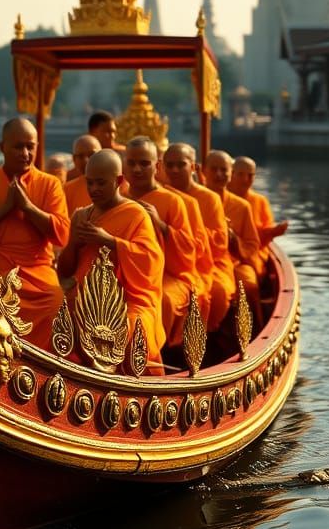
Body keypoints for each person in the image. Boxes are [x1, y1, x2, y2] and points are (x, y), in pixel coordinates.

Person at [0, 117, 70, 347]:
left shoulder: (50, 184)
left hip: (37, 269)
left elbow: (62, 234)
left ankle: (45, 361)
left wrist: (28, 207)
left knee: (55, 300)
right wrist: (5, 208)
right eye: (18, 147)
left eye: (30, 147)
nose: (25, 153)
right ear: (2, 147)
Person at [57, 149, 165, 370]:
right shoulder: (81, 216)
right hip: (85, 298)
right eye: (89, 183)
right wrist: (74, 244)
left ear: (119, 181)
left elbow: (151, 261)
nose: (93, 189)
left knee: (132, 328)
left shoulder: (135, 214)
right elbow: (65, 272)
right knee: (55, 318)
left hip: (127, 300)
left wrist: (109, 241)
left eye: (101, 183)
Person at [123, 137, 208, 347]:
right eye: (131, 163)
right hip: (126, 274)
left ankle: (154, 353)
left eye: (144, 163)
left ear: (157, 166)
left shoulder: (172, 201)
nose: (137, 169)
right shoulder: (119, 198)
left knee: (165, 301)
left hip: (170, 275)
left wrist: (161, 225)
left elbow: (189, 251)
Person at [162, 142, 235, 331]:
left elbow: (220, 242)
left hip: (207, 263)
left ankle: (208, 336)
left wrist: (190, 233)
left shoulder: (209, 198)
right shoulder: (161, 196)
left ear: (194, 167)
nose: (175, 170)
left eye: (181, 164)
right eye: (170, 165)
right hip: (169, 263)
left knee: (218, 292)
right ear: (162, 167)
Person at [203, 149, 262, 323]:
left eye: (224, 170)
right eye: (214, 169)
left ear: (231, 174)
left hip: (234, 261)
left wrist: (232, 238)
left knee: (249, 284)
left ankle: (253, 329)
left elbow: (252, 246)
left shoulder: (241, 206)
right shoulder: (193, 201)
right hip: (199, 261)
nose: (219, 174)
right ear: (203, 171)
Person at [229, 156, 289, 260]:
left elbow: (260, 240)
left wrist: (273, 232)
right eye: (241, 174)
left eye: (250, 175)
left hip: (253, 255)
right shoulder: (221, 198)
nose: (245, 179)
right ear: (231, 174)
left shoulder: (261, 201)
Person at [63, 134, 101, 211]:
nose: (86, 160)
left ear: (102, 155)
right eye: (80, 156)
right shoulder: (67, 191)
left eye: (91, 154)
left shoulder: (118, 185)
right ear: (74, 160)